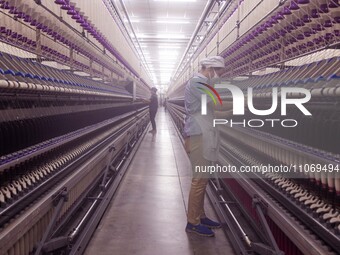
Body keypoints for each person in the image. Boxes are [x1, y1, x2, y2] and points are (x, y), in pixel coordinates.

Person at [183, 56, 227, 237]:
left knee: (204, 178)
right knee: (199, 179)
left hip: (204, 133)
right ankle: (192, 223)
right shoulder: (197, 83)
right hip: (198, 135)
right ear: (209, 68)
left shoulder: (203, 84)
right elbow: (216, 104)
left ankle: (200, 216)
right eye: (218, 71)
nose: (218, 75)